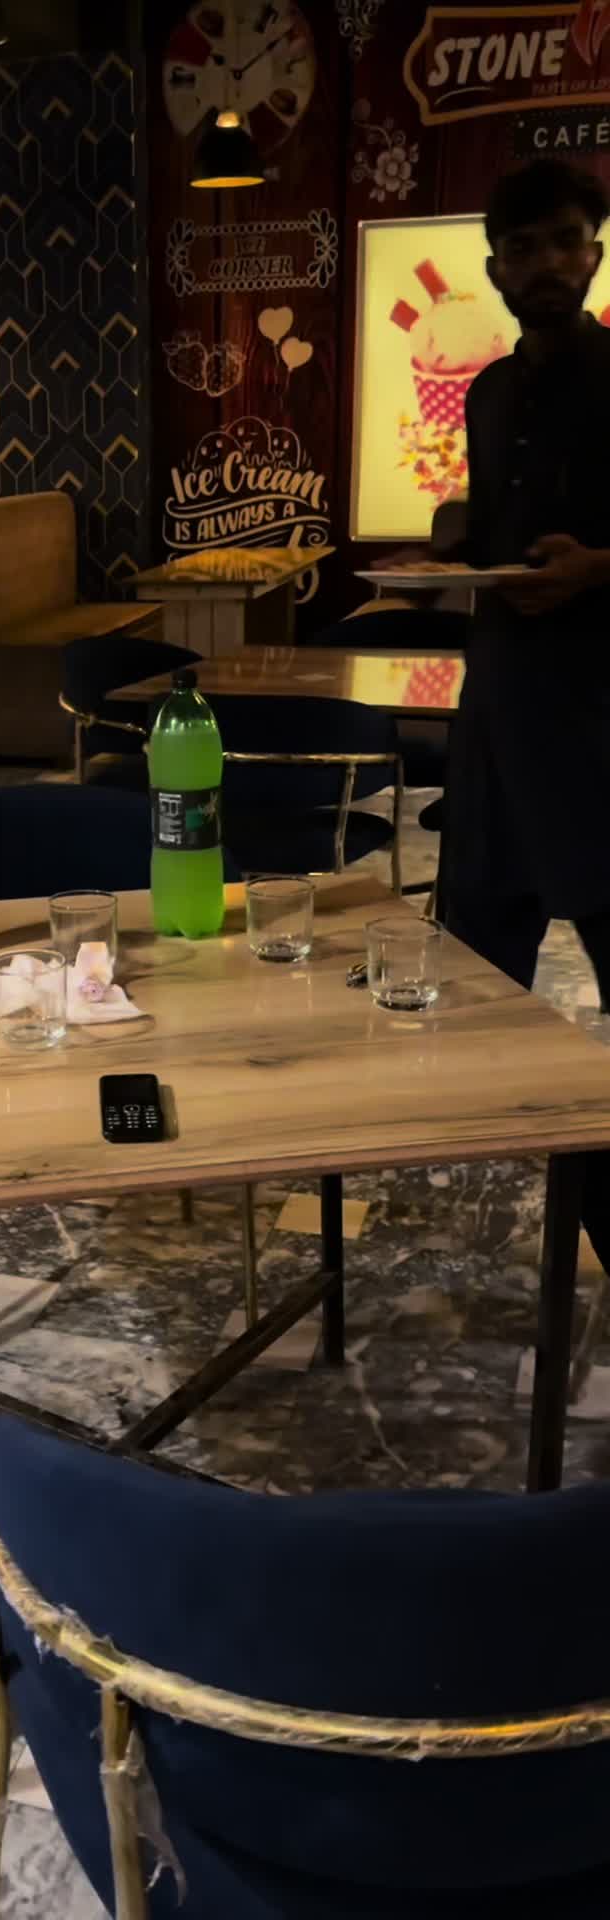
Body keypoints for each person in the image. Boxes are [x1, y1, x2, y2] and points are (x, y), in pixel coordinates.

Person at [434, 159, 610, 1266]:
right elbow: (498, 538)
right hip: (497, 709)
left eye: (564, 241)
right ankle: (494, 1146)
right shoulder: (489, 393)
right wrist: (456, 544)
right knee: (477, 957)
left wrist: (602, 568)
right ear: (495, 267)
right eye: (523, 247)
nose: (545, 263)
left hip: (602, 720)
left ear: (594, 252)